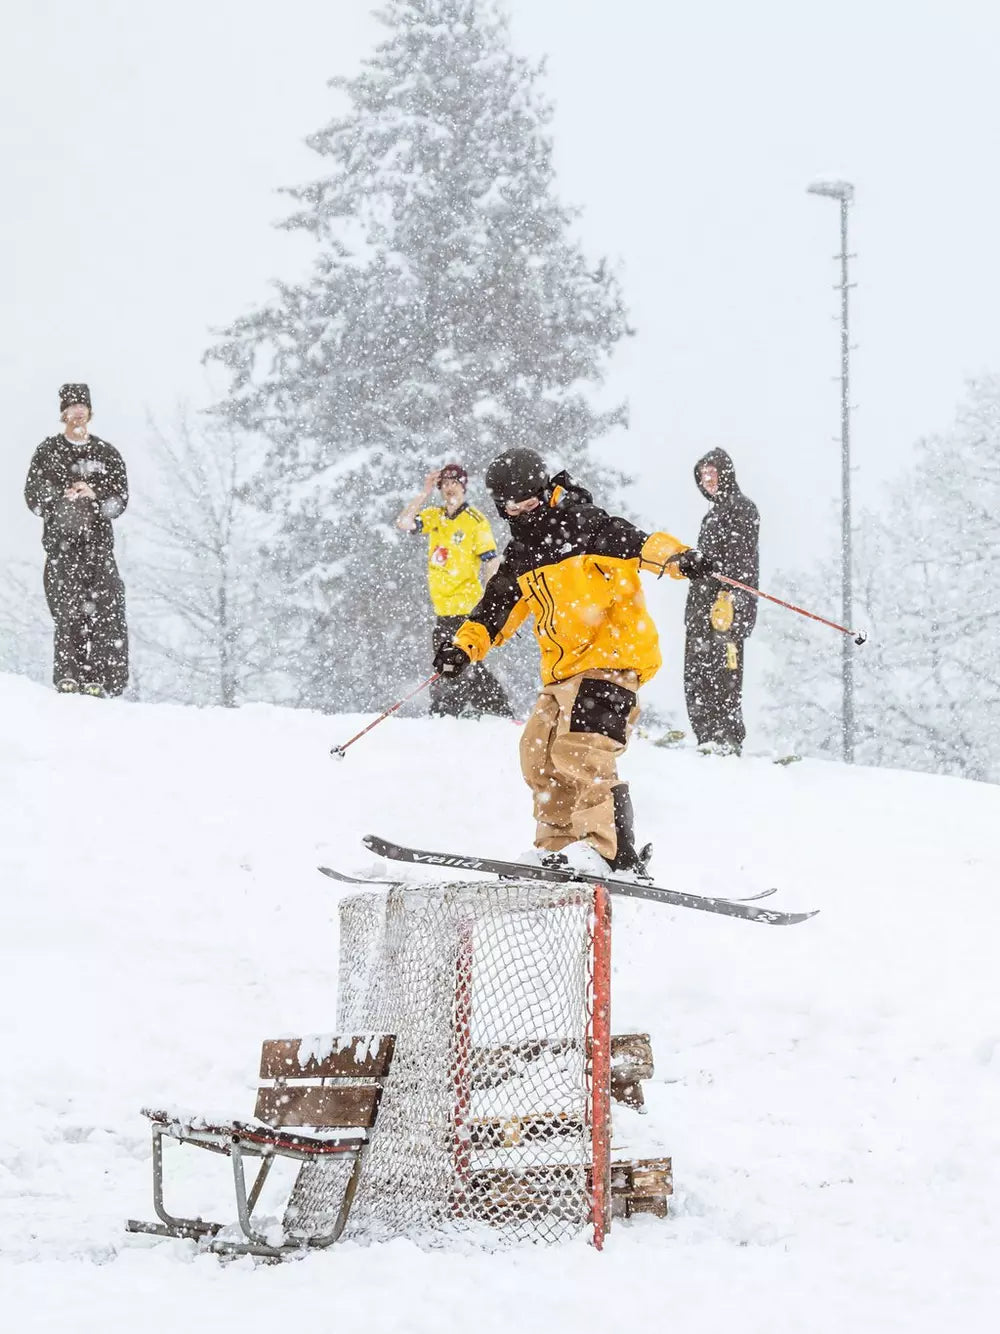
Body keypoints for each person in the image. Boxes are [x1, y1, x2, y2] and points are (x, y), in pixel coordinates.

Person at [431, 448, 713, 877]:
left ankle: (611, 851)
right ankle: (559, 845)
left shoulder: (586, 525)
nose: (520, 511)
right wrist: (463, 647)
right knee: (538, 753)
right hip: (564, 674)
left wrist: (679, 559)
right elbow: (495, 609)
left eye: (527, 501)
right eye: (510, 505)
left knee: (582, 750)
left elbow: (643, 545)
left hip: (612, 659)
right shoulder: (523, 553)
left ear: (544, 492)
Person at [24, 384, 130, 697]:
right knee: (67, 613)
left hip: (98, 548)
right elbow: (33, 498)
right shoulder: (48, 452)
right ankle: (68, 677)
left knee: (103, 611)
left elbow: (119, 500)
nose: (78, 411)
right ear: (63, 414)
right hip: (61, 549)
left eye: (83, 405)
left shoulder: (106, 454)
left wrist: (96, 496)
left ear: (90, 411)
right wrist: (60, 499)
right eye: (72, 406)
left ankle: (97, 677)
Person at [396, 462, 513, 719]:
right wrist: (424, 491)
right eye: (445, 484)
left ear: (464, 486)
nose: (450, 489)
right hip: (443, 607)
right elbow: (404, 523)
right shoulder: (435, 516)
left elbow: (491, 561)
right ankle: (495, 709)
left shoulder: (475, 521)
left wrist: (492, 602)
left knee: (451, 660)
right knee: (462, 660)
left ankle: (447, 712)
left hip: (466, 605)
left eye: (454, 483)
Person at [683, 449, 759, 756]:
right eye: (703, 476)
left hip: (727, 606)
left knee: (724, 674)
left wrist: (730, 596)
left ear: (726, 474)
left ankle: (727, 736)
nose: (708, 480)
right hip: (701, 608)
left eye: (713, 473)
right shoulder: (711, 515)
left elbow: (742, 559)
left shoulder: (742, 508)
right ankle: (706, 736)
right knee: (697, 673)